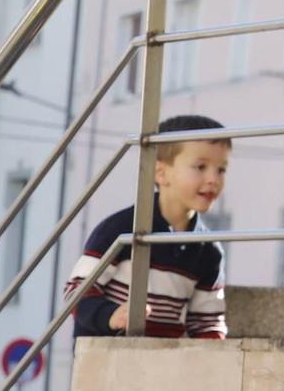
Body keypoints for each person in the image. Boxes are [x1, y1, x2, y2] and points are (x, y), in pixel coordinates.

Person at [68, 113, 230, 340]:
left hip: (162, 365)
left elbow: (206, 322)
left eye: (221, 169)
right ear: (161, 173)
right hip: (107, 361)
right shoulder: (121, 229)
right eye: (201, 167)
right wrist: (111, 315)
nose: (214, 178)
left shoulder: (209, 252)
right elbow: (76, 291)